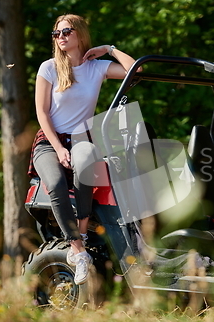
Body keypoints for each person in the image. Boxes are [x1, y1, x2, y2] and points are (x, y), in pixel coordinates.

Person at [28, 14, 141, 285]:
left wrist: (110, 50)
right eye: (57, 33)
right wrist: (57, 148)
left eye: (66, 31)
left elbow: (136, 70)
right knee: (53, 183)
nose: (61, 37)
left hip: (81, 139)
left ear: (79, 34)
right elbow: (42, 113)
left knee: (87, 157)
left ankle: (82, 234)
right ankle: (77, 250)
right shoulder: (49, 68)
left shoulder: (97, 67)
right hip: (49, 140)